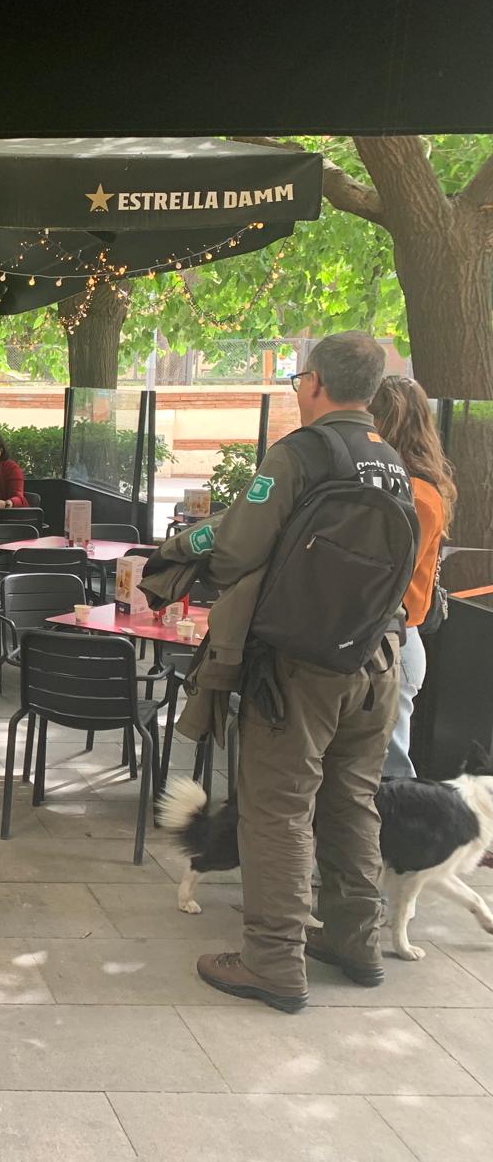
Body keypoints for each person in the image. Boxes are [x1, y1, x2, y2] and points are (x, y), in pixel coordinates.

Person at [186, 331, 411, 1013]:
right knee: (352, 801)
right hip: (376, 659)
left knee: (277, 808)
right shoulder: (390, 460)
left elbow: (232, 550)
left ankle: (273, 960)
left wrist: (183, 554)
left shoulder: (298, 454)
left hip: (300, 667)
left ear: (314, 383)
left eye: (297, 381)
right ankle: (355, 941)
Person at [368, 375, 455, 779]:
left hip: (393, 640)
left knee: (390, 772)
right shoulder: (419, 488)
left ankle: (396, 843)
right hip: (395, 640)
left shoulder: (413, 493)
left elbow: (390, 574)